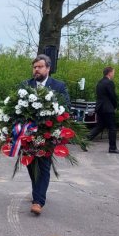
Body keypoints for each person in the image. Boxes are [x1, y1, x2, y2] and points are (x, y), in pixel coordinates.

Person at [25, 54, 69, 215]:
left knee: (43, 167)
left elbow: (66, 107)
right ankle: (37, 193)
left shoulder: (58, 86)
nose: (36, 69)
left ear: (48, 68)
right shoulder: (25, 85)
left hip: (48, 134)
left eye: (40, 67)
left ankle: (38, 201)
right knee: (30, 165)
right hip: (28, 135)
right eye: (34, 67)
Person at [88, 66, 119, 153]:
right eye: (113, 72)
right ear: (109, 73)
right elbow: (113, 96)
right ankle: (112, 148)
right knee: (112, 128)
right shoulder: (109, 83)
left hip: (100, 107)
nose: (114, 74)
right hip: (108, 108)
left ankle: (84, 141)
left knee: (100, 126)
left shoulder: (99, 82)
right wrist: (114, 106)